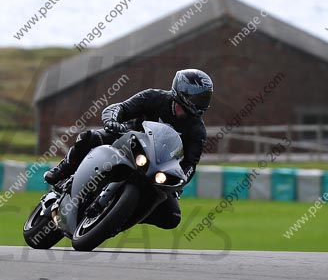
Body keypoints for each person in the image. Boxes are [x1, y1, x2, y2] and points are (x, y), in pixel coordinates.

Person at [44, 69, 212, 229]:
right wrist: (112, 121)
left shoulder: (197, 130)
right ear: (183, 91)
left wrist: (179, 181)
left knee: (172, 217)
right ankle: (63, 170)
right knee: (89, 138)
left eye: (205, 98)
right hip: (126, 140)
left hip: (156, 166)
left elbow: (190, 164)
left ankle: (119, 218)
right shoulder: (153, 97)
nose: (201, 103)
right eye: (198, 98)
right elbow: (121, 108)